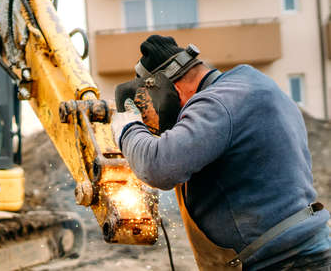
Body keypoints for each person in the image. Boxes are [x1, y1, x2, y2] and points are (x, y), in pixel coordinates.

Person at [111, 35, 330, 271]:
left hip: (279, 262)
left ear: (169, 88)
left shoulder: (216, 104)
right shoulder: (252, 84)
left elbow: (158, 166)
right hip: (306, 252)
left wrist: (128, 128)